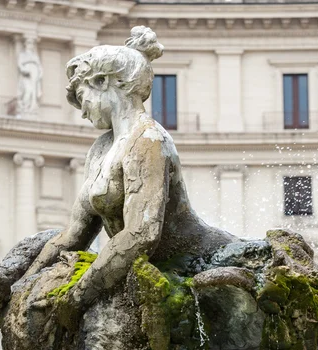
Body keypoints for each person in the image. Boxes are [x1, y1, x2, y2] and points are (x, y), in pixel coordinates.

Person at [20, 26, 235, 320]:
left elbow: (140, 234)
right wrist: (20, 287)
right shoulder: (100, 149)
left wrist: (78, 296)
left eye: (82, 98)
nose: (81, 112)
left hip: (199, 260)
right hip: (149, 268)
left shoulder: (148, 141)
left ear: (102, 82)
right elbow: (73, 236)